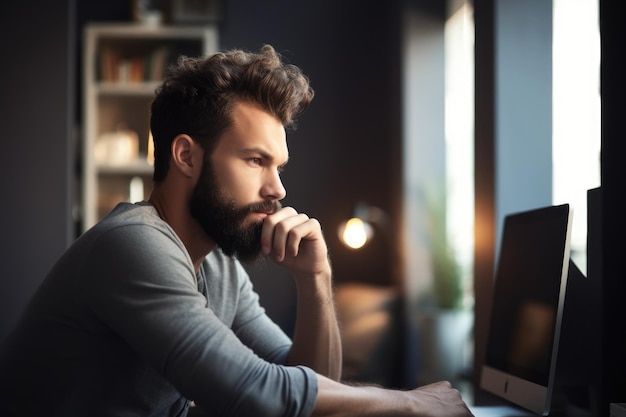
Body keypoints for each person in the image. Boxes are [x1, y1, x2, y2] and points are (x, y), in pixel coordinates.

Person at [0, 44, 473, 417]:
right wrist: (414, 403)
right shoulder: (132, 245)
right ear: (186, 156)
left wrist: (316, 279)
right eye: (255, 161)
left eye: (279, 165)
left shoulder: (220, 264)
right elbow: (253, 393)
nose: (278, 189)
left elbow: (307, 389)